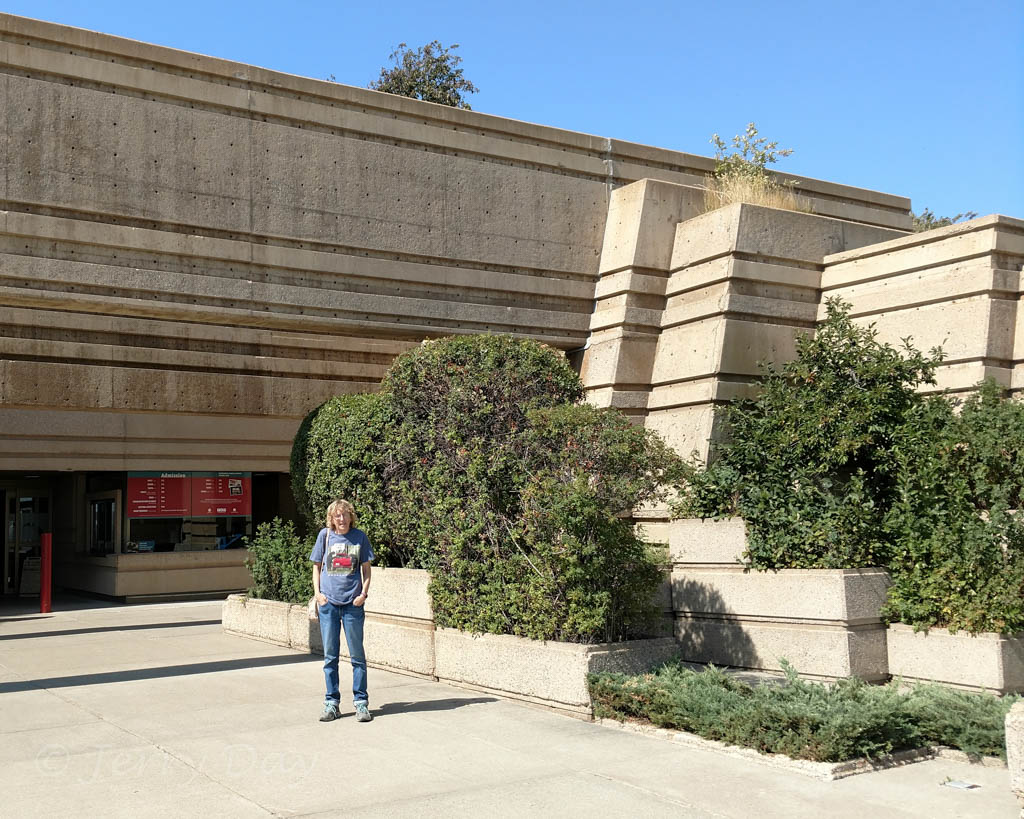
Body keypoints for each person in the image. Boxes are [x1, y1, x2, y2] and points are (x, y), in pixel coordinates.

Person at [310, 498, 374, 723]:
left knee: (357, 657)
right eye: (337, 515)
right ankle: (332, 703)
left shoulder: (360, 537)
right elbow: (316, 567)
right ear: (332, 518)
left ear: (350, 516)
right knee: (330, 657)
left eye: (345, 514)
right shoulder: (324, 535)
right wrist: (318, 595)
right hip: (328, 604)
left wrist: (363, 594)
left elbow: (367, 570)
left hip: (352, 606)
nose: (341, 519)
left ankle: (361, 703)